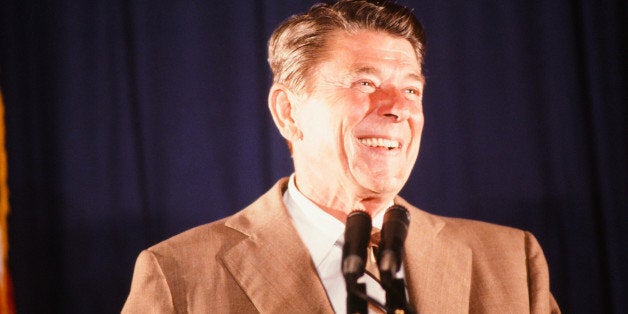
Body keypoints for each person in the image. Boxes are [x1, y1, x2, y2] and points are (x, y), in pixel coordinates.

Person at [122, 0, 560, 313]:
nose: (399, 108)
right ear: (288, 111)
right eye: (365, 84)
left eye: (411, 89)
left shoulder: (512, 263)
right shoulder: (179, 274)